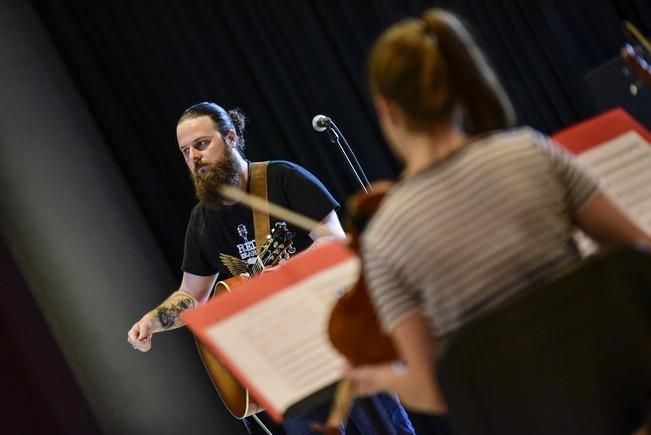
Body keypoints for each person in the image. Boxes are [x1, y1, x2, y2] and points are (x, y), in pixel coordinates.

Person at [344, 8, 651, 434]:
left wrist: (377, 379)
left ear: (387, 109)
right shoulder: (530, 152)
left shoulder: (384, 237)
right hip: (632, 409)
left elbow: (434, 389)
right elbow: (639, 256)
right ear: (456, 87)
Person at [127, 102, 415, 435]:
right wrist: (153, 321)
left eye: (202, 144)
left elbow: (335, 242)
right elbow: (191, 294)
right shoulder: (202, 222)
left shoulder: (282, 179)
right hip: (289, 361)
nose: (194, 157)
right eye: (185, 151)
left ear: (231, 138)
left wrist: (287, 274)